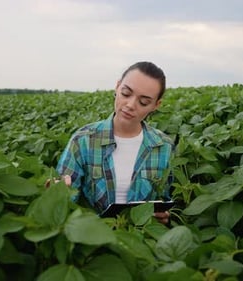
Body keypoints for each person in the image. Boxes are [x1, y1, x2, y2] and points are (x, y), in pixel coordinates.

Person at [53, 61, 174, 224]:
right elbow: (64, 202)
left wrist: (165, 216)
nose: (130, 105)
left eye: (143, 102)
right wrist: (56, 193)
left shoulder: (164, 146)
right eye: (126, 93)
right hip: (92, 238)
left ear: (156, 105)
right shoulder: (83, 141)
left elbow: (167, 199)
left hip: (141, 241)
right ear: (117, 87)